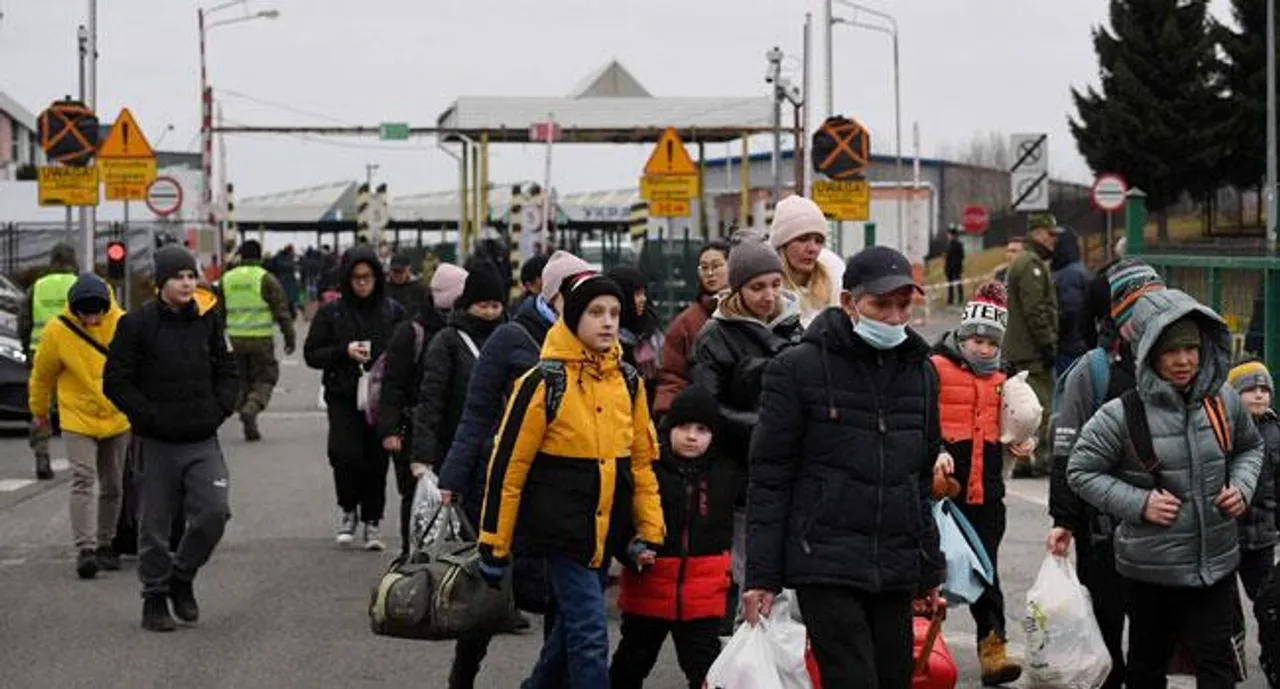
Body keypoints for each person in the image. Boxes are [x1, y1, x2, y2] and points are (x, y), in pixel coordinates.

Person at [743, 245, 944, 688]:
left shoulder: (922, 374)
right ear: (849, 303)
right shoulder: (797, 369)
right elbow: (770, 477)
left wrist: (930, 570)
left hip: (893, 562)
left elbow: (919, 480)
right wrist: (761, 576)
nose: (894, 317)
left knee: (894, 679)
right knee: (852, 679)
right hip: (824, 558)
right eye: (881, 304)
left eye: (903, 305)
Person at [477, 272, 665, 689]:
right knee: (590, 634)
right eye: (596, 312)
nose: (608, 322)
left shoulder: (628, 382)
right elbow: (508, 467)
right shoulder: (543, 382)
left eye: (615, 313)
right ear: (574, 318)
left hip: (605, 532)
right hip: (561, 535)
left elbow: (641, 464)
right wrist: (494, 543)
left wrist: (650, 529)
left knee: (570, 634)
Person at [1068, 289, 1264, 689]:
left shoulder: (1223, 400)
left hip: (1216, 568)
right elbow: (1080, 470)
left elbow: (1251, 446)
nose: (1184, 360)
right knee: (1146, 668)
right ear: (1150, 352)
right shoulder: (1122, 413)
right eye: (1172, 350)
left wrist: (1241, 487)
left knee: (1218, 668)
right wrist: (1139, 503)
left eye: (1191, 348)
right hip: (1149, 574)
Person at [436, 249, 590, 689]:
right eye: (577, 294)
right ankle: (464, 672)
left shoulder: (594, 340)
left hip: (568, 489)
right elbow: (477, 413)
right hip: (507, 482)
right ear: (554, 294)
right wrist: (451, 479)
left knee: (566, 601)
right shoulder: (512, 339)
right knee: (493, 589)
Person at [103, 245, 237, 632]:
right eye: (178, 277)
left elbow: (227, 369)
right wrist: (148, 415)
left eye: (191, 276)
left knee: (214, 512)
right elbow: (116, 380)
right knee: (155, 525)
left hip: (201, 437)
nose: (186, 283)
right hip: (156, 442)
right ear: (161, 282)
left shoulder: (209, 320)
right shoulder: (137, 325)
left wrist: (220, 407)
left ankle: (183, 576)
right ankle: (155, 597)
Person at [1047, 258, 1166, 689]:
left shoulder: (1181, 363)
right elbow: (1066, 449)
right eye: (1145, 305)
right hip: (1103, 530)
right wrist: (1064, 519)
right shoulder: (1093, 372)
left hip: (1163, 525)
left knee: (1154, 635)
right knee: (1107, 624)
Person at [689, 238, 803, 630]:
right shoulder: (714, 336)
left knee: (793, 580)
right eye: (757, 287)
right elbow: (707, 408)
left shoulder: (795, 327)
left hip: (793, 473)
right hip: (741, 474)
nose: (769, 295)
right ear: (737, 289)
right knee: (750, 578)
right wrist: (762, 429)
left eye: (775, 283)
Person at [929, 281, 1027, 686]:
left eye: (991, 342)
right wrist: (935, 448)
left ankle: (993, 650)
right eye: (976, 339)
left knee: (986, 573)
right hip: (944, 493)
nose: (983, 348)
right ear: (963, 334)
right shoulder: (935, 367)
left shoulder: (1006, 379)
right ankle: (921, 649)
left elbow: (1012, 425)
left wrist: (1024, 443)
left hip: (987, 494)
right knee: (930, 572)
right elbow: (916, 415)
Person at [610, 385, 735, 689]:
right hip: (649, 587)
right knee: (630, 664)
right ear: (668, 429)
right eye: (683, 427)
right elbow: (621, 523)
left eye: (702, 429)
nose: (692, 436)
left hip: (702, 594)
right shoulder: (648, 470)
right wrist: (631, 550)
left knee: (707, 671)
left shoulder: (725, 472)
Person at [304, 247, 407, 550]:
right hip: (343, 394)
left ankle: (373, 520)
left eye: (368, 277)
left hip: (381, 397)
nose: (362, 283)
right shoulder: (332, 312)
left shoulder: (392, 311)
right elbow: (311, 353)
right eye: (356, 277)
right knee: (345, 454)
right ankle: (348, 508)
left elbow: (407, 351)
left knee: (376, 459)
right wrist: (342, 352)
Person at [28, 273, 130, 580]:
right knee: (84, 479)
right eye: (85, 313)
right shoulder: (57, 331)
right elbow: (42, 376)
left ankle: (106, 543)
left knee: (113, 485)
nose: (92, 319)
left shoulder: (123, 324)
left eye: (97, 312)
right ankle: (86, 549)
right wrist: (39, 412)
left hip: (117, 416)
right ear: (75, 309)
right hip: (78, 417)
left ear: (106, 306)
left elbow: (141, 366)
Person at [406, 266, 507, 529]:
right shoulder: (447, 342)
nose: (490, 312)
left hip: (504, 450)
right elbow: (431, 399)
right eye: (483, 305)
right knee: (465, 525)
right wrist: (423, 457)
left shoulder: (511, 338)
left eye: (496, 306)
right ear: (468, 304)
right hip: (458, 448)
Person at [375, 285, 450, 559]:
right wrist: (390, 429)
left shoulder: (459, 333)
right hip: (410, 424)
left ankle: (436, 551)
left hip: (442, 426)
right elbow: (392, 384)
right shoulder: (411, 333)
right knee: (414, 492)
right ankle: (413, 551)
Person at [219, 239, 296, 442]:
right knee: (266, 378)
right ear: (259, 256)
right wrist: (290, 338)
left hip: (235, 339)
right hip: (261, 339)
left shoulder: (227, 279)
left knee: (242, 380)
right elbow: (282, 311)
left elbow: (216, 313)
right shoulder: (265, 278)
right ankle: (251, 409)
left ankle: (244, 408)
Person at [1003, 213, 1062, 478]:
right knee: (1039, 408)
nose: (1053, 241)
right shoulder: (1031, 265)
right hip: (1031, 351)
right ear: (1038, 234)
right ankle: (1040, 458)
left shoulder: (1026, 262)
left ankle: (1025, 460)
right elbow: (1036, 310)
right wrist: (1047, 343)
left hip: (1022, 349)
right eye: (1051, 235)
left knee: (1023, 407)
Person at [20, 241, 79, 480]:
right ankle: (81, 459)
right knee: (78, 404)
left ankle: (42, 456)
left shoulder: (37, 287)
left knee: (41, 406)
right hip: (74, 354)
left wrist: (27, 350)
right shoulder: (79, 285)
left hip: (42, 352)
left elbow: (23, 322)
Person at [653, 240, 729, 418]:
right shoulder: (685, 323)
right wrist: (667, 416)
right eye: (704, 267)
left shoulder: (752, 312)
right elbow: (672, 377)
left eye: (716, 266)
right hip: (701, 419)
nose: (710, 273)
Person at [1228, 361, 1280, 603]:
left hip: (1263, 536)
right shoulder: (1223, 431)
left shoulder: (1275, 432)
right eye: (1249, 389)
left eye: (1264, 389)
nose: (1259, 394)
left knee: (1266, 599)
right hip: (1226, 537)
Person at [768, 194, 845, 327]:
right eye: (803, 239)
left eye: (819, 241)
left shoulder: (835, 282)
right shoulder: (767, 289)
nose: (812, 249)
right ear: (782, 244)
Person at [607, 264, 665, 403]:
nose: (643, 299)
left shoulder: (651, 329)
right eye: (637, 294)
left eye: (644, 292)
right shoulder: (607, 338)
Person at [1051, 229, 1090, 377]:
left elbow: (1070, 311)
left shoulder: (1068, 275)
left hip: (1068, 346)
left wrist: (1054, 336)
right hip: (1077, 343)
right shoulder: (1077, 269)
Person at [945, 224, 965, 305]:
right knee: (950, 285)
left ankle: (960, 298)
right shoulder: (949, 244)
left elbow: (961, 256)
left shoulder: (958, 244)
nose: (948, 236)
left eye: (949, 234)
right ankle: (950, 299)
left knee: (958, 283)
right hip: (949, 267)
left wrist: (955, 264)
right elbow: (947, 257)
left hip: (956, 267)